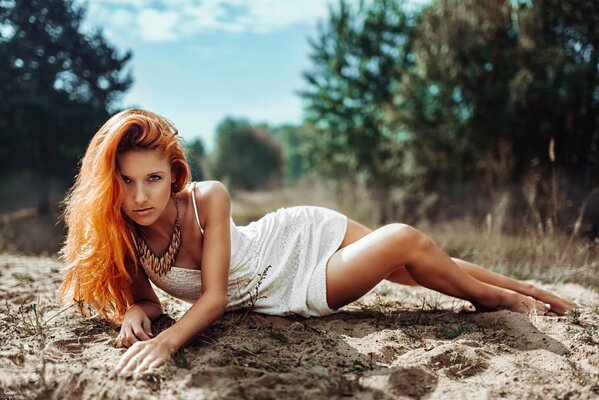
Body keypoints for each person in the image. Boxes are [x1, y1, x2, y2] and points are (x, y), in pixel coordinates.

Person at [57, 109, 575, 375]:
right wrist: (135, 310)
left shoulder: (207, 197)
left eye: (152, 179)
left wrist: (169, 341)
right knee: (403, 246)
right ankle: (507, 296)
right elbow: (148, 295)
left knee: (410, 257)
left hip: (297, 234)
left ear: (174, 177)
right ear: (110, 185)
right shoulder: (120, 231)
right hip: (292, 285)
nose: (140, 194)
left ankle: (513, 294)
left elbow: (213, 297)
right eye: (125, 181)